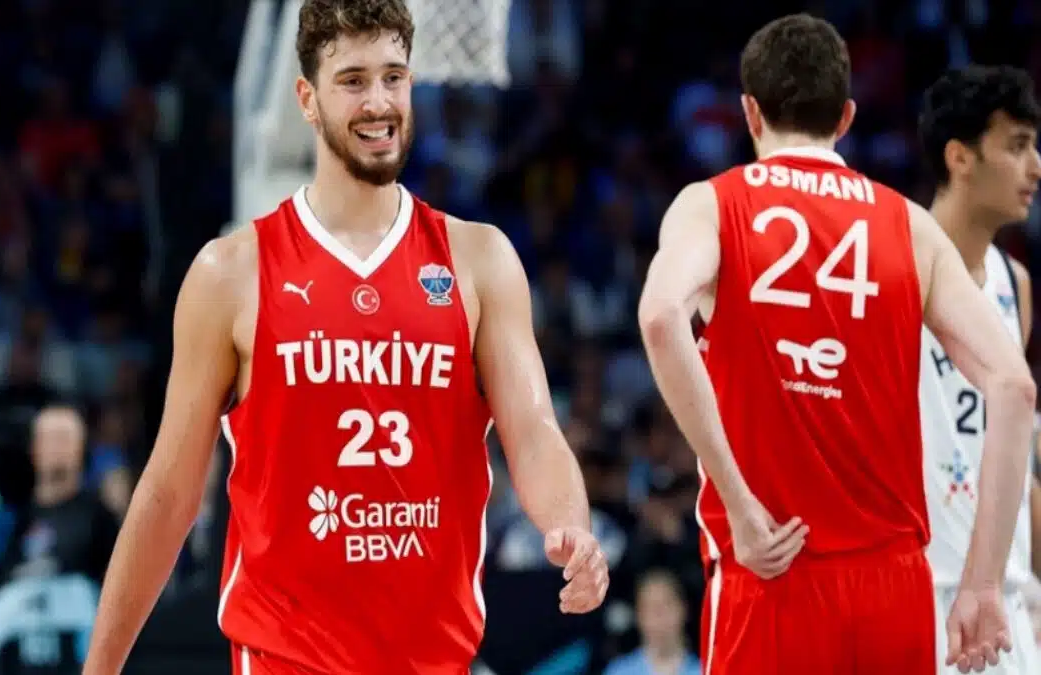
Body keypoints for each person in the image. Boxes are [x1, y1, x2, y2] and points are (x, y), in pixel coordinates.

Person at [81, 1, 609, 673]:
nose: (379, 101)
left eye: (393, 76)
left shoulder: (479, 260)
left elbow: (533, 431)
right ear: (306, 99)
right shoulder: (231, 272)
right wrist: (100, 667)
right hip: (286, 659)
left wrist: (572, 525)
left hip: (434, 659)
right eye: (353, 80)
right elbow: (168, 493)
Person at [638, 13, 1037, 675]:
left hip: (772, 568)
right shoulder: (908, 224)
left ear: (750, 111)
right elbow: (1015, 387)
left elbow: (658, 319)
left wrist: (739, 502)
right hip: (894, 586)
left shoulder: (713, 204)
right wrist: (984, 583)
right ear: (846, 117)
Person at [917, 64, 1041, 675]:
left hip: (1005, 601)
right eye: (1016, 146)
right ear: (960, 157)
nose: (1035, 166)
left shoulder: (1015, 284)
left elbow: (1022, 462)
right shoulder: (893, 268)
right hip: (919, 596)